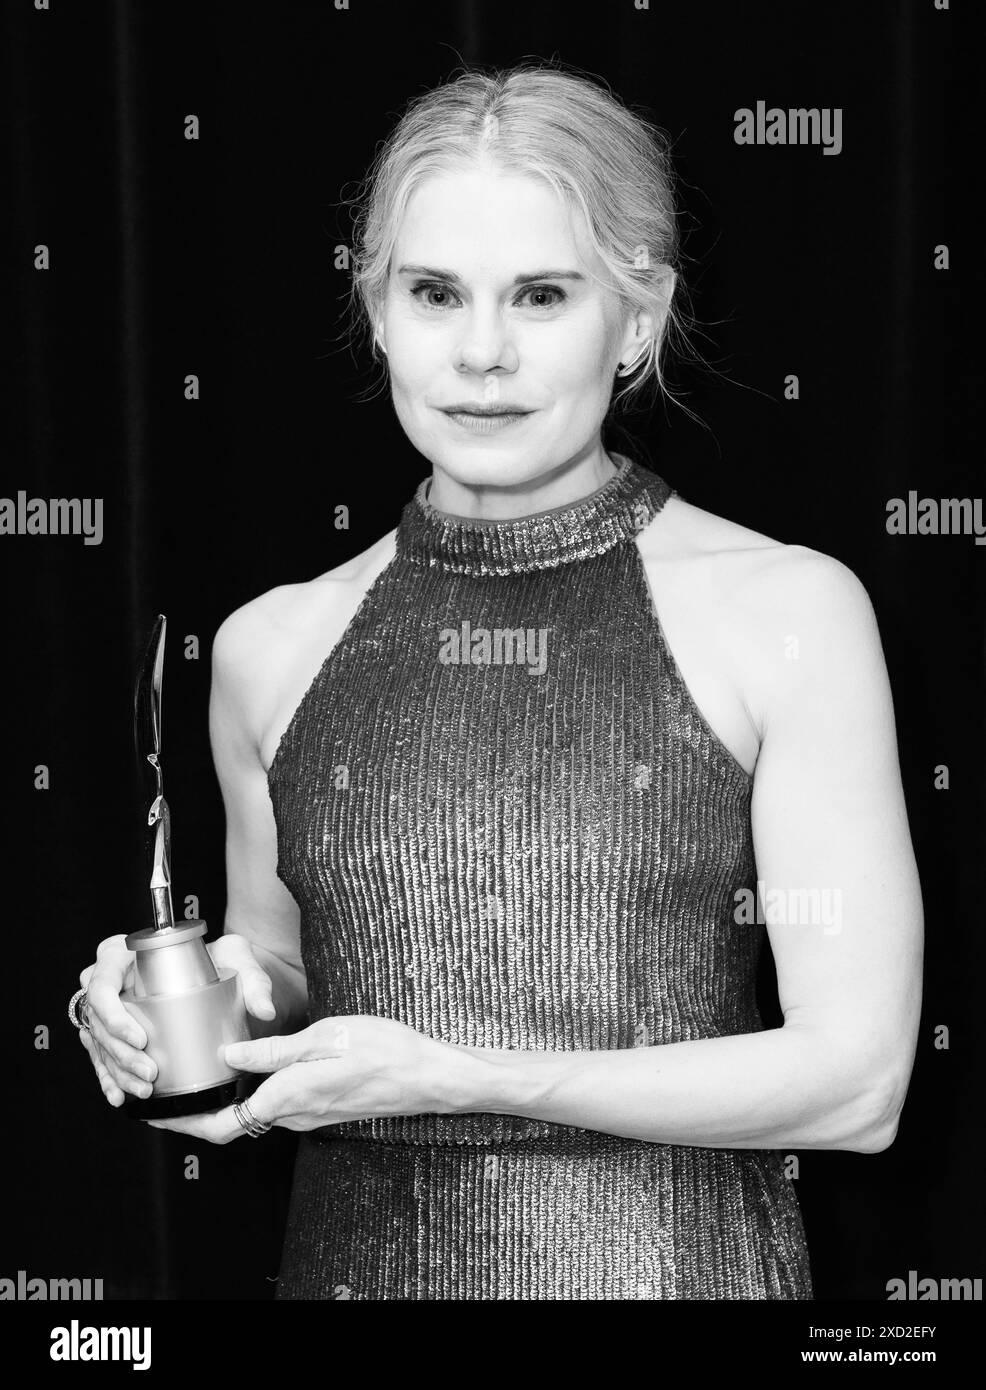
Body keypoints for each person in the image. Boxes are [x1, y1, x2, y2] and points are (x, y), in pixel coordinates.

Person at [74, 61, 923, 1300]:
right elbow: (289, 995)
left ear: (636, 320)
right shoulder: (269, 645)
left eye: (539, 294)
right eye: (432, 293)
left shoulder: (787, 613)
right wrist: (190, 1014)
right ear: (374, 312)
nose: (480, 352)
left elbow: (857, 1084)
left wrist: (461, 1075)